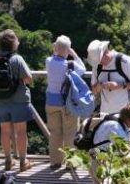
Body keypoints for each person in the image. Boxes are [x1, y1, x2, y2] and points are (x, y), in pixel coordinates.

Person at [0, 29, 33, 171]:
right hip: (19, 100)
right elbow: (28, 78)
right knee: (21, 131)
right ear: (14, 43)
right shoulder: (17, 59)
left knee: (4, 131)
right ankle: (23, 162)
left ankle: (8, 160)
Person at [45, 35, 86, 170]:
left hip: (51, 102)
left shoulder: (48, 61)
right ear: (68, 50)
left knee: (55, 132)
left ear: (55, 47)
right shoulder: (71, 65)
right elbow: (83, 69)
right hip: (67, 103)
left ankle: (55, 162)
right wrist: (73, 54)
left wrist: (57, 49)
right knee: (70, 132)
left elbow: (53, 55)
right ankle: (70, 163)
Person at [89, 105, 130, 184]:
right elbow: (127, 149)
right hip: (100, 164)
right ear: (129, 119)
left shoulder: (123, 119)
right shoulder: (115, 127)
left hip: (107, 159)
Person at [87, 40, 130, 114]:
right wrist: (100, 86)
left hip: (128, 113)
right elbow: (94, 89)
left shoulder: (124, 61)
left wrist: (120, 85)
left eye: (100, 60)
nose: (100, 63)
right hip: (106, 113)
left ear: (106, 53)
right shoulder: (97, 66)